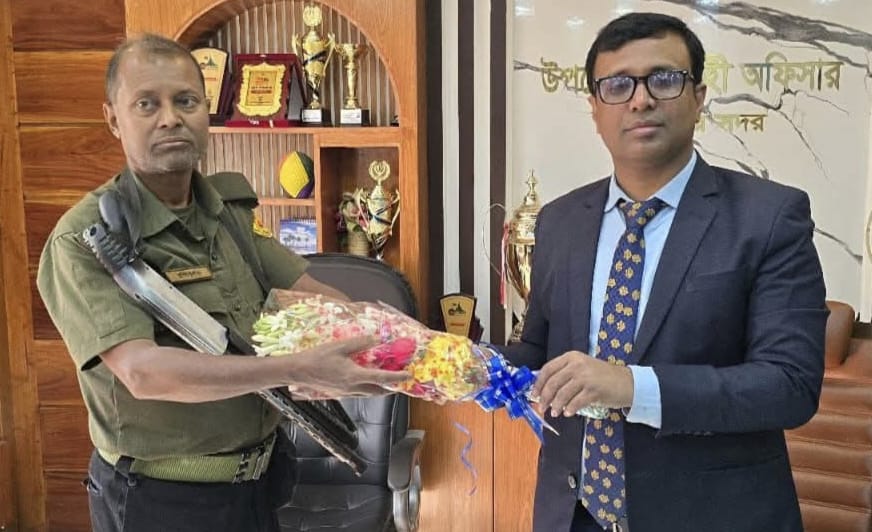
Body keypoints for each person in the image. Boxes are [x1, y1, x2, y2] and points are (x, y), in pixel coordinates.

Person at [36, 34, 409, 532]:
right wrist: (292, 369)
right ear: (113, 119)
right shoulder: (85, 239)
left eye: (186, 101)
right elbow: (144, 373)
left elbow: (316, 296)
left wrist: (406, 346)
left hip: (259, 488)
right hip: (161, 503)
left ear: (206, 111)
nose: (170, 118)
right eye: (147, 104)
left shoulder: (227, 212)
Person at [501, 12, 827, 532]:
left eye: (664, 79)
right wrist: (432, 359)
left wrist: (629, 386)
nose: (640, 100)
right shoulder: (560, 220)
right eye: (617, 85)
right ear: (594, 108)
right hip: (575, 513)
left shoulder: (768, 218)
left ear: (698, 97)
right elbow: (538, 353)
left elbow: (788, 386)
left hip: (712, 516)